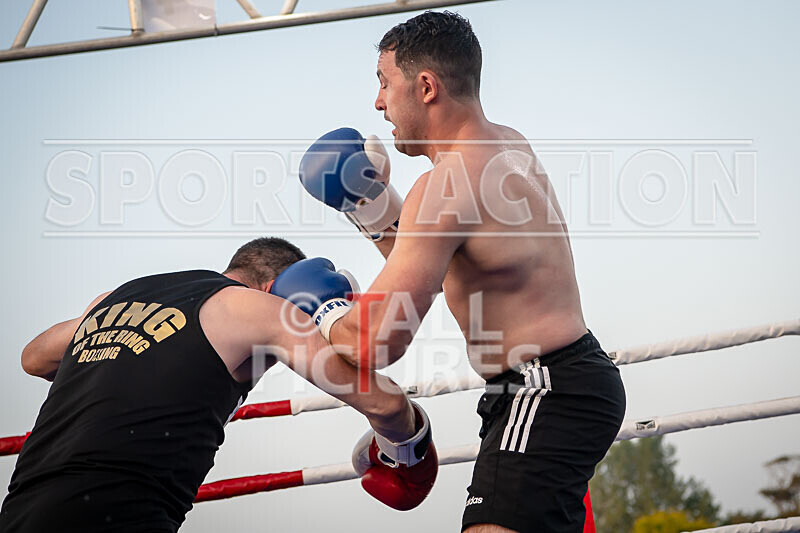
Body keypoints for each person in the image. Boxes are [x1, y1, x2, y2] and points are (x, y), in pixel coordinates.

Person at [298, 11, 626, 533]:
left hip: (543, 388)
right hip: (569, 377)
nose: (378, 103)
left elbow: (376, 341)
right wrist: (371, 209)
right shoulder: (509, 145)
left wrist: (322, 311)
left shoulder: (443, 187)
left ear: (426, 87)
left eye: (384, 83)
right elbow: (449, 266)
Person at [0, 237, 437, 533]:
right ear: (275, 288)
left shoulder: (114, 299)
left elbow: (34, 357)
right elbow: (384, 405)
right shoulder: (260, 309)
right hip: (121, 512)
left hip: (20, 509)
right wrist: (406, 448)